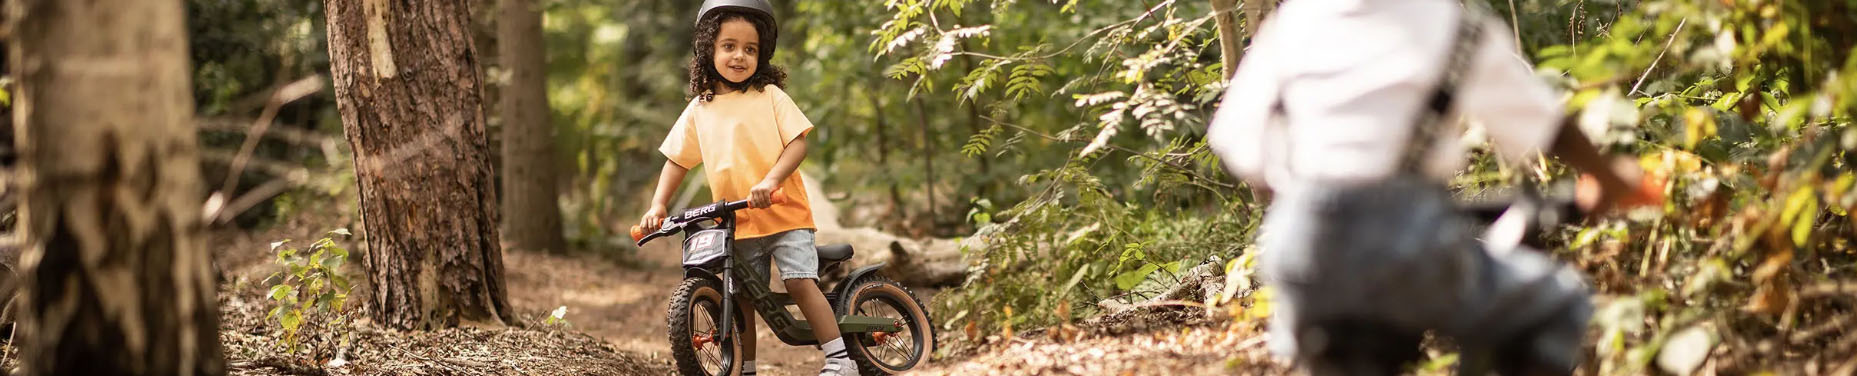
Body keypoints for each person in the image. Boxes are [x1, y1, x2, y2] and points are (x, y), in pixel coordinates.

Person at [1207, 0, 1656, 374]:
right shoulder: (1455, 25)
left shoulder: (1294, 24)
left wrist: (1309, 196)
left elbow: (1234, 140)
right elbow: (1548, 127)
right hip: (1405, 244)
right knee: (1555, 304)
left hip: (1300, 247)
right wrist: (1614, 180)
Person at [637, 1, 855, 375]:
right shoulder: (699, 109)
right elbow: (676, 160)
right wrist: (658, 205)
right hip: (737, 222)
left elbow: (798, 142)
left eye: (749, 49)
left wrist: (771, 180)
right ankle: (745, 367)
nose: (739, 56)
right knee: (742, 298)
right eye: (729, 46)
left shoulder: (770, 96)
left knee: (800, 282)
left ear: (762, 55)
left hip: (784, 212)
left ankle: (840, 360)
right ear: (709, 49)